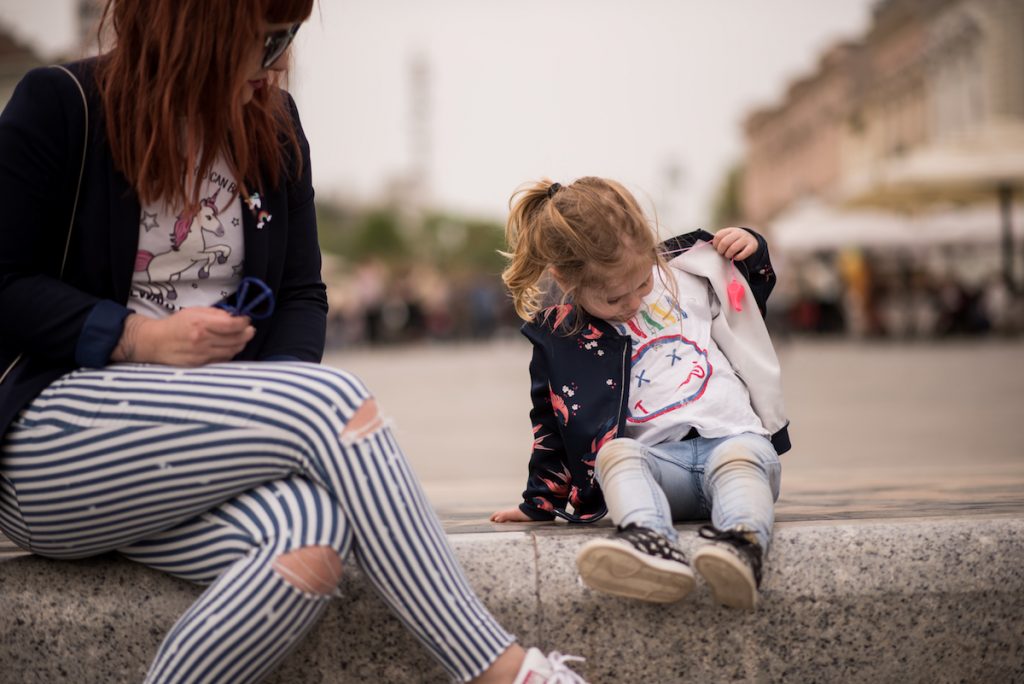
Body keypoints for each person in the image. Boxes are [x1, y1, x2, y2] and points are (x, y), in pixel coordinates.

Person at [0, 2, 588, 682]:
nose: (280, 60)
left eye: (291, 35)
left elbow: (303, 292)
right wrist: (138, 337)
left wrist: (268, 403)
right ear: (197, 28)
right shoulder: (63, 106)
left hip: (201, 449)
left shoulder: (274, 128)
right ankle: (507, 672)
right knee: (333, 399)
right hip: (56, 442)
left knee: (312, 537)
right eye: (267, 38)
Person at [490, 177, 790, 610]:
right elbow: (550, 425)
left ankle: (740, 547)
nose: (632, 301)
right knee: (615, 455)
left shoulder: (691, 271)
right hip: (661, 471)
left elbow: (749, 298)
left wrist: (751, 250)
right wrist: (540, 501)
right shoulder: (564, 338)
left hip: (736, 443)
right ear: (566, 280)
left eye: (642, 284)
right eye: (613, 298)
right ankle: (649, 540)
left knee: (740, 459)